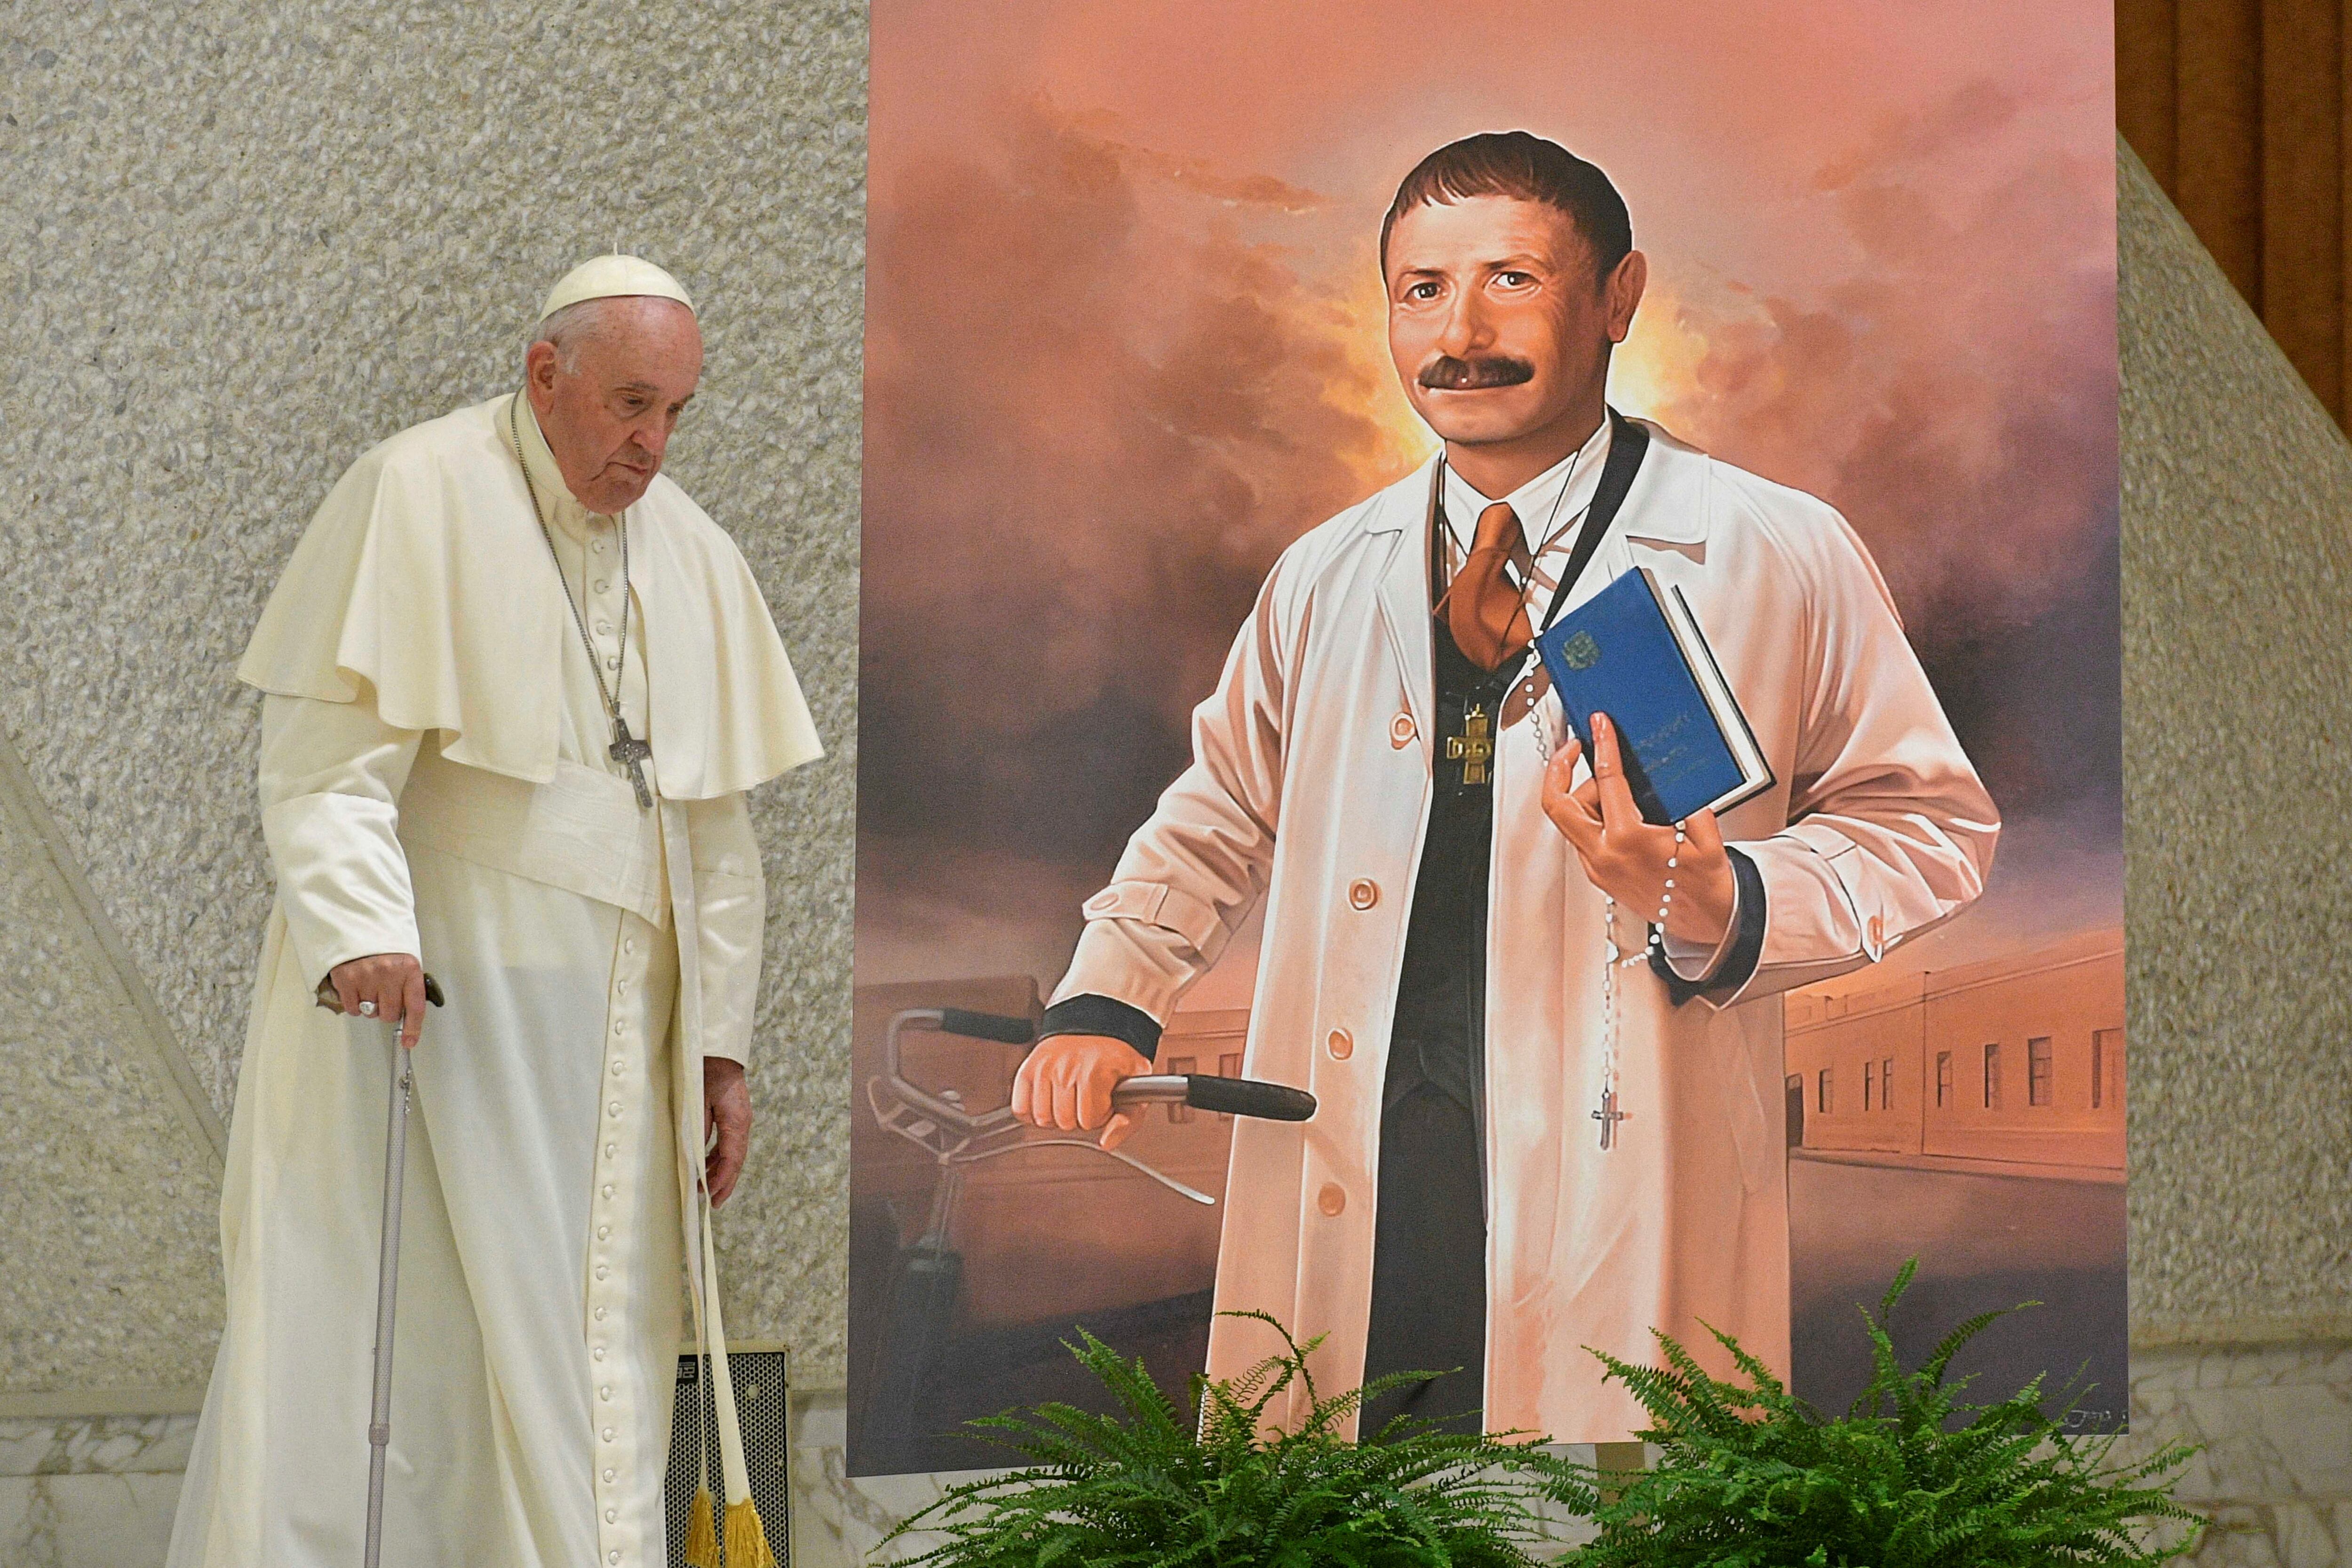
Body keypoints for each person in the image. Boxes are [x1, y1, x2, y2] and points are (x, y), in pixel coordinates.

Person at [1010, 133, 1998, 1441]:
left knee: (1599, 1502)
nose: (1459, 331)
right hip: (1356, 1163)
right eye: (1421, 290)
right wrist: (1109, 1002)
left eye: (1511, 281)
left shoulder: (1775, 548)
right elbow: (1218, 815)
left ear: (1619, 300)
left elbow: (1928, 821)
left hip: (1611, 1167)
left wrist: (1732, 891)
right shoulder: (1326, 573)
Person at [168, 256, 822, 1568]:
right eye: (633, 404)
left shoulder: (687, 549)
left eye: (678, 413)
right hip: (436, 1009)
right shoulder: (416, 490)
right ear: (547, 372)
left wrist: (722, 1047)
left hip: (610, 1044)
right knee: (395, 1345)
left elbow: (715, 839)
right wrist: (362, 928)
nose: (655, 443)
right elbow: (324, 759)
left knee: (591, 1349)